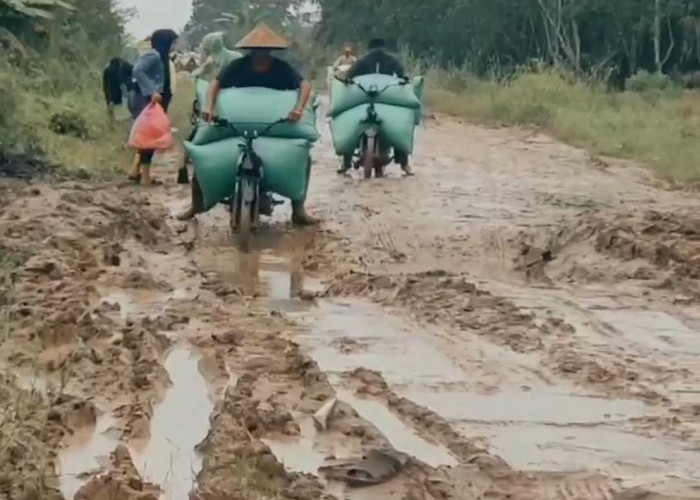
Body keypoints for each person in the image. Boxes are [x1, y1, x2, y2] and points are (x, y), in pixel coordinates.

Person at [177, 23, 317, 225]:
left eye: (264, 50)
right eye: (257, 50)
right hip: (236, 126)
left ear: (271, 51)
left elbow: (304, 85)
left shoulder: (282, 68)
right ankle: (195, 205)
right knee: (203, 154)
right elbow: (215, 84)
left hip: (274, 128)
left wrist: (299, 108)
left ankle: (299, 209)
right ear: (250, 51)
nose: (261, 54)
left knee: (303, 158)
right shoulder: (238, 66)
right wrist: (210, 107)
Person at [341, 38, 413, 176]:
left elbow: (350, 74)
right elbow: (402, 74)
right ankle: (404, 164)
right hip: (370, 98)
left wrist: (347, 79)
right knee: (354, 124)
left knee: (398, 127)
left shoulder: (363, 60)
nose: (377, 53)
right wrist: (404, 78)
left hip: (380, 98)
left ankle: (346, 162)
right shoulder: (391, 60)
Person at [178, 32, 242, 184]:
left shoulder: (212, 61)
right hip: (237, 101)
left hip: (216, 102)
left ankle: (182, 167)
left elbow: (196, 74)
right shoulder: (236, 56)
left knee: (197, 132)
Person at [128, 29, 179, 186]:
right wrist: (151, 91)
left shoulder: (162, 57)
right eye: (173, 42)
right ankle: (145, 178)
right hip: (146, 100)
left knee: (149, 138)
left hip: (152, 101)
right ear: (166, 42)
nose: (174, 46)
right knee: (149, 138)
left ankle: (137, 172)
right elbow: (137, 70)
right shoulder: (154, 55)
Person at [103, 58, 133, 130]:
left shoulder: (125, 67)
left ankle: (115, 124)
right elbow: (106, 86)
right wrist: (109, 100)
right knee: (112, 106)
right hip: (116, 89)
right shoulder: (109, 71)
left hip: (122, 89)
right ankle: (113, 125)